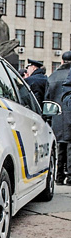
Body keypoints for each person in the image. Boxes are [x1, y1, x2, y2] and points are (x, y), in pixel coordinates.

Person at [45, 51, 71, 185]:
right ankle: (70, 177)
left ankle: (58, 176)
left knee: (59, 146)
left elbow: (47, 99)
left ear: (62, 61)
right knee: (70, 146)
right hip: (69, 115)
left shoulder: (52, 76)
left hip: (57, 116)